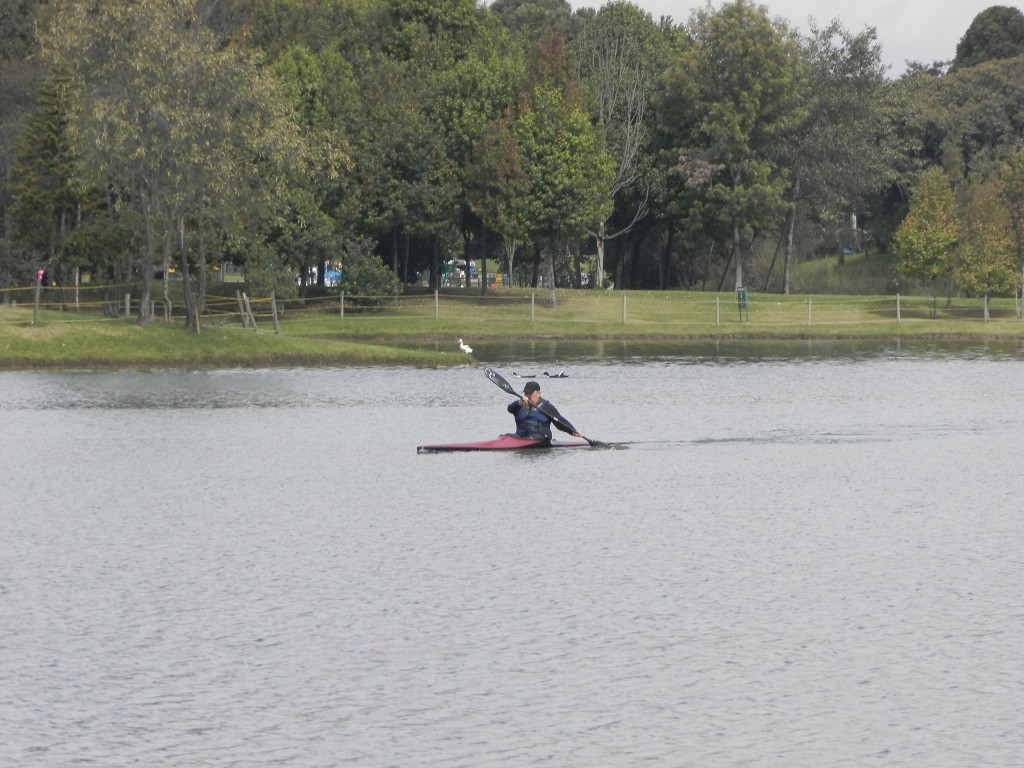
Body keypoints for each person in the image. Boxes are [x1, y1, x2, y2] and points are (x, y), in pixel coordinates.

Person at [507, 380, 584, 442]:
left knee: (531, 438)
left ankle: (523, 442)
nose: (527, 396)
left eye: (530, 393)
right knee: (505, 436)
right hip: (521, 437)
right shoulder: (519, 405)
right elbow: (509, 409)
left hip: (542, 437)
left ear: (538, 393)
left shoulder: (547, 406)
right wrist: (519, 403)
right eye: (526, 393)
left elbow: (560, 421)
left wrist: (572, 431)